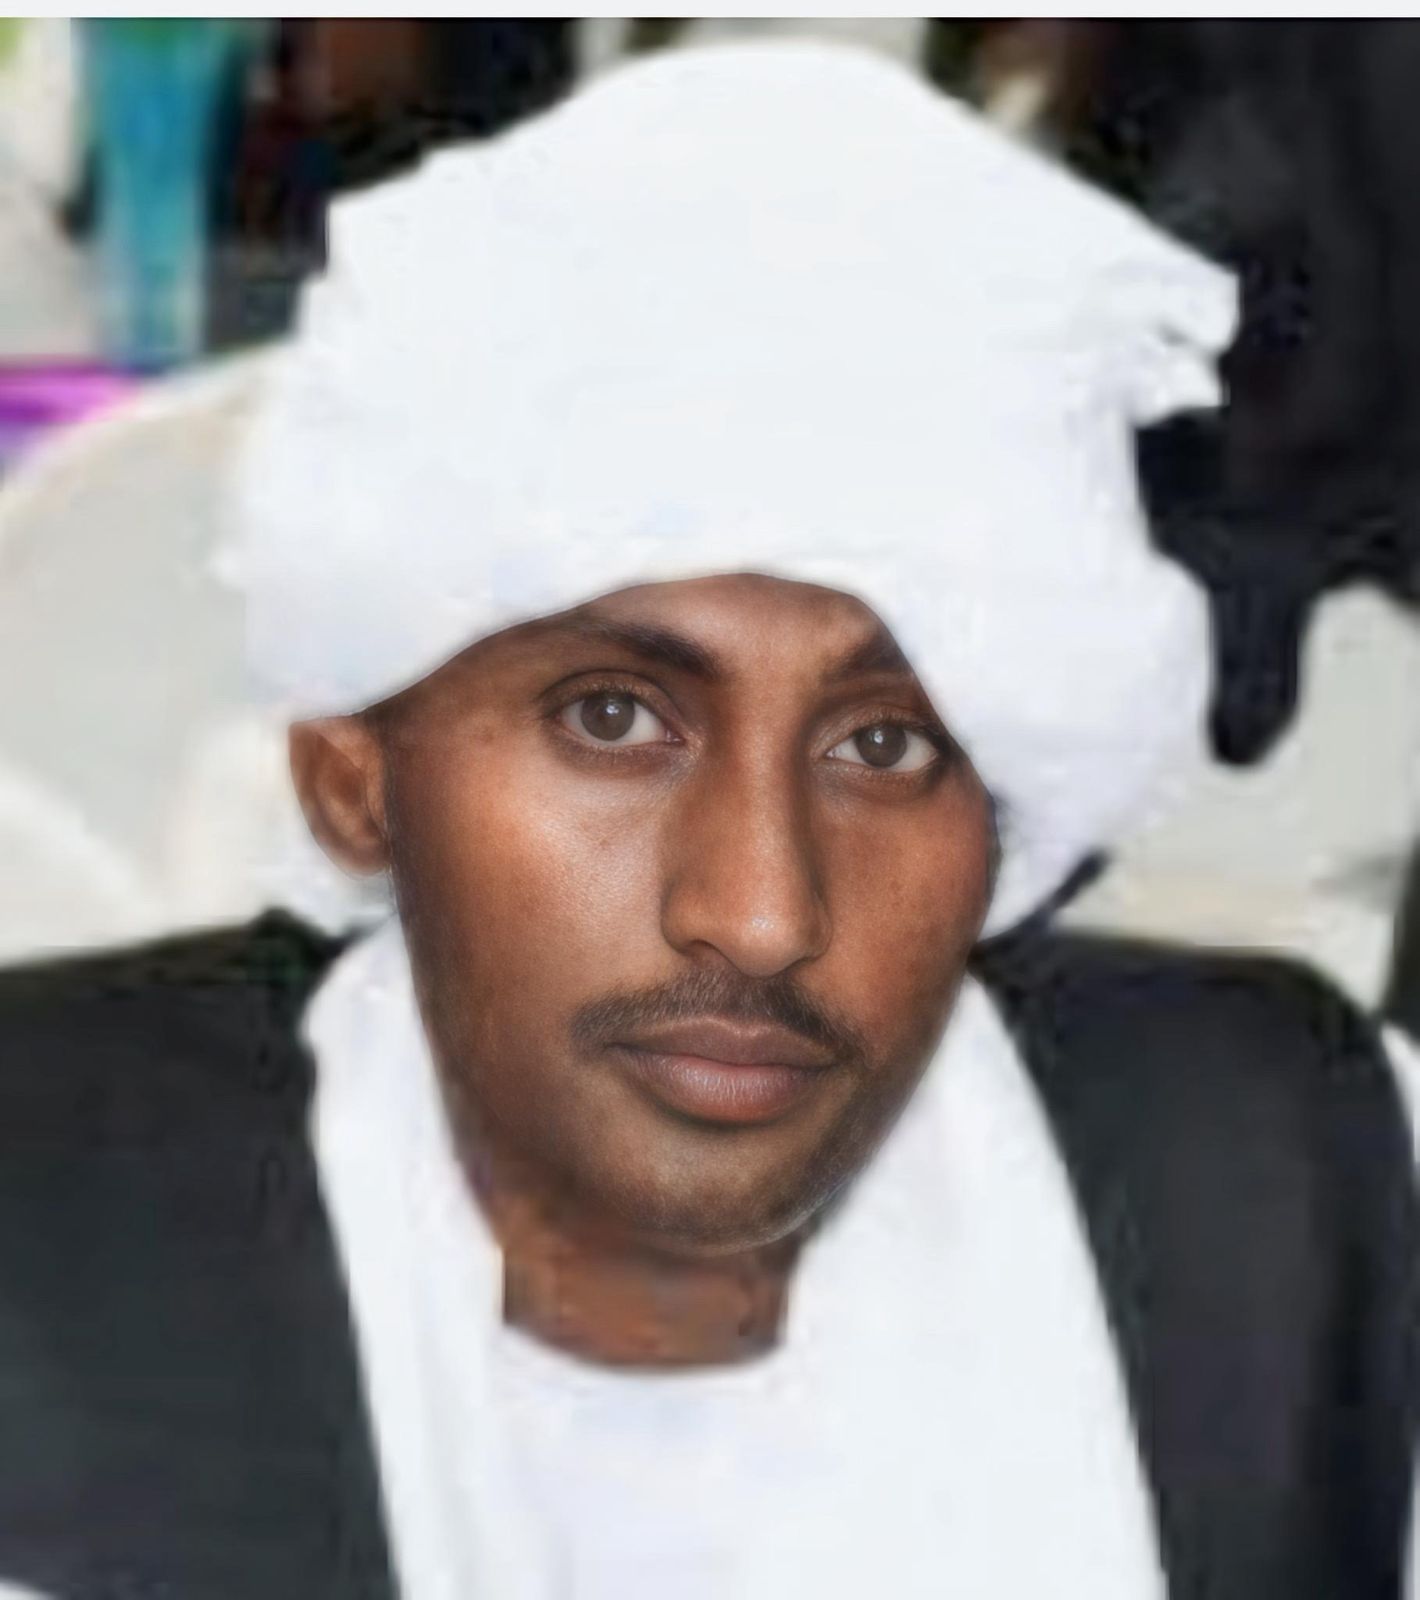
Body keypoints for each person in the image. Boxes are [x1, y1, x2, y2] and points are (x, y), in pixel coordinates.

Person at [0, 44, 1414, 1600]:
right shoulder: (55, 1264)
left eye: (886, 747)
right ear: (357, 780)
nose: (758, 910)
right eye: (613, 724)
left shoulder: (1302, 1198)